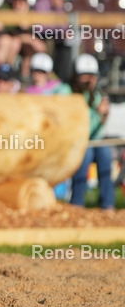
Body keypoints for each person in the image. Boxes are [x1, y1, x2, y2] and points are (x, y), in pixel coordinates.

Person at [68, 54, 114, 210]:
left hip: (93, 140)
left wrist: (103, 117)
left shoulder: (96, 96)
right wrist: (98, 114)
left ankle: (108, 205)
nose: (89, 80)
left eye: (92, 76)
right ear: (76, 76)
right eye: (85, 75)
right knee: (86, 154)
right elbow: (80, 125)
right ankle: (77, 203)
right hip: (75, 141)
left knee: (106, 154)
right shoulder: (66, 92)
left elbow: (97, 132)